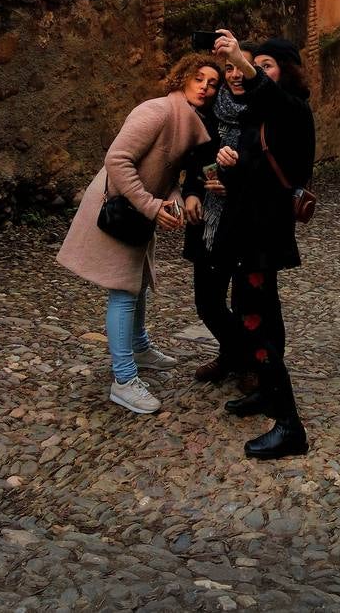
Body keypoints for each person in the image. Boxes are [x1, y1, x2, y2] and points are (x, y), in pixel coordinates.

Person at [56, 54, 216, 414]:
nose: (206, 87)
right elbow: (118, 159)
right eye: (198, 79)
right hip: (119, 209)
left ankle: (140, 347)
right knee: (124, 290)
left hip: (138, 211)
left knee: (138, 280)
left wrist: (174, 201)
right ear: (181, 80)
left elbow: (166, 175)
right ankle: (124, 380)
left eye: (213, 83)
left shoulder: (188, 121)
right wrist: (151, 205)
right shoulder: (157, 111)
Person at [210, 30, 315, 460]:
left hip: (261, 236)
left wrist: (239, 58)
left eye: (267, 65)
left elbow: (266, 93)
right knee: (265, 315)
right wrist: (227, 166)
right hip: (248, 231)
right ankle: (269, 394)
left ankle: (290, 425)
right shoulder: (263, 116)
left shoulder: (292, 110)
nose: (256, 73)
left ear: (284, 73)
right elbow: (255, 178)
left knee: (252, 320)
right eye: (259, 65)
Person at [182, 47, 256, 386]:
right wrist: (194, 192)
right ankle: (238, 354)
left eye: (242, 66)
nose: (236, 74)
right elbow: (194, 162)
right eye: (229, 68)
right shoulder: (208, 111)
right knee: (208, 302)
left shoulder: (263, 113)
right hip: (209, 223)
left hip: (245, 222)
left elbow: (270, 172)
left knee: (245, 301)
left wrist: (237, 187)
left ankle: (247, 362)